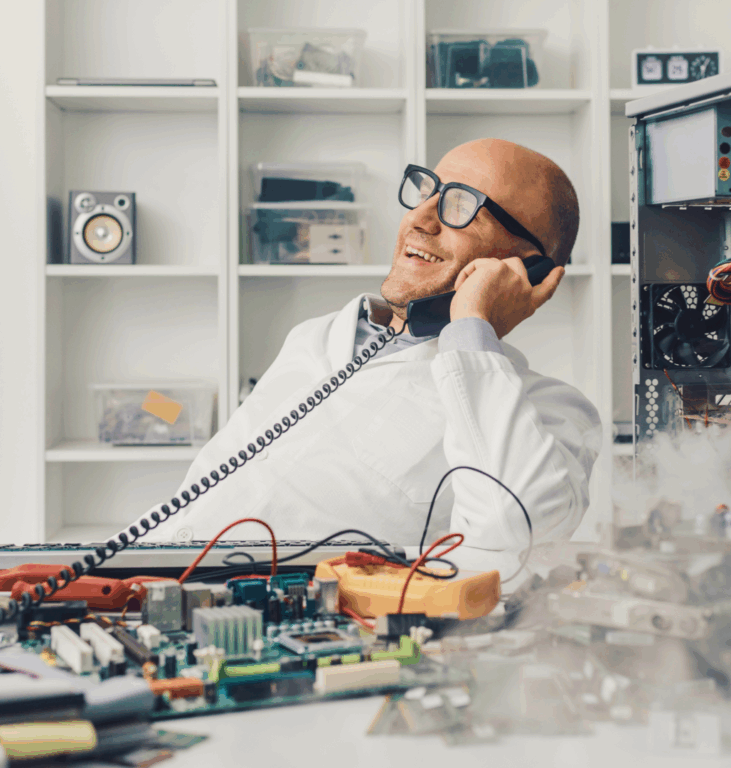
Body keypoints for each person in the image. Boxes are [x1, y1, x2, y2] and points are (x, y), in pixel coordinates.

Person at [126, 138, 601, 572]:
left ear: (531, 269)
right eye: (427, 191)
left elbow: (513, 546)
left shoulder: (552, 411)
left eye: (461, 204)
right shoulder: (316, 336)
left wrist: (472, 331)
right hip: (138, 575)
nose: (420, 217)